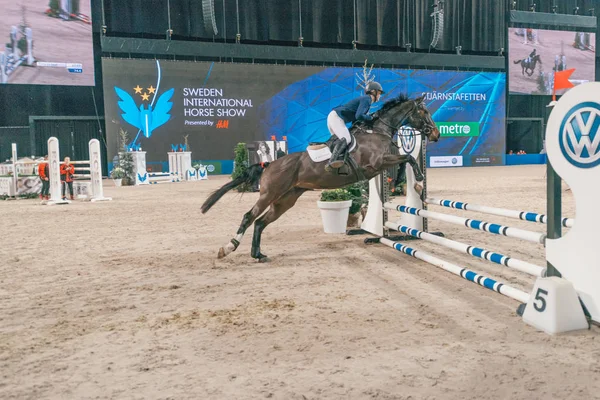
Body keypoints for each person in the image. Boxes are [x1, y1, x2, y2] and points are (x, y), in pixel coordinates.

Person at [326, 81, 384, 169]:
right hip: (336, 117)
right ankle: (332, 161)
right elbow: (359, 115)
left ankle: (339, 162)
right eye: (379, 93)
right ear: (373, 92)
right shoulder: (367, 99)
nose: (380, 95)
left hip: (334, 117)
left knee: (340, 142)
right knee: (347, 139)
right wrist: (371, 118)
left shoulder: (366, 100)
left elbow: (356, 119)